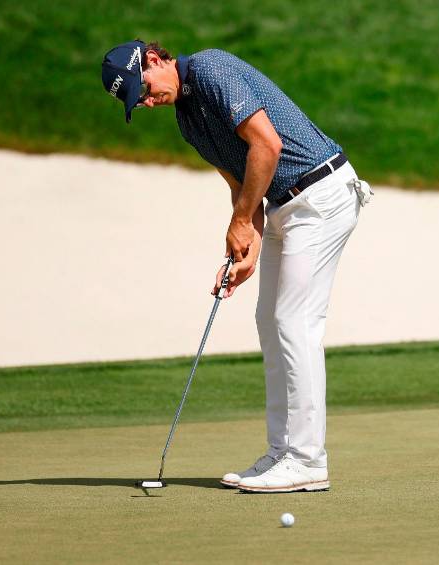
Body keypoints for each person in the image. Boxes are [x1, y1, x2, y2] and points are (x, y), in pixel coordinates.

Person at [101, 40, 370, 493]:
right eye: (137, 102)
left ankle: (308, 460)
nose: (147, 101)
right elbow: (243, 181)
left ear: (153, 59)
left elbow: (267, 145)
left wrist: (242, 221)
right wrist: (251, 242)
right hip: (286, 209)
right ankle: (282, 453)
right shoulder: (188, 122)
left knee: (294, 321)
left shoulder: (210, 69)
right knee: (270, 321)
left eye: (143, 89)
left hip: (320, 195)